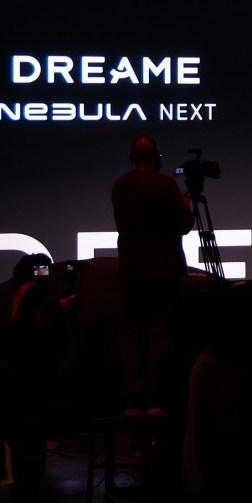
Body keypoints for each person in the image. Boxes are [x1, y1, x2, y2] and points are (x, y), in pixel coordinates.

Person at [111, 135, 193, 415]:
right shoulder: (165, 184)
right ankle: (156, 399)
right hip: (162, 271)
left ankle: (133, 400)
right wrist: (185, 205)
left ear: (132, 158)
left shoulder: (120, 185)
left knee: (131, 335)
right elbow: (184, 225)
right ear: (157, 158)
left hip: (130, 271)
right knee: (160, 334)